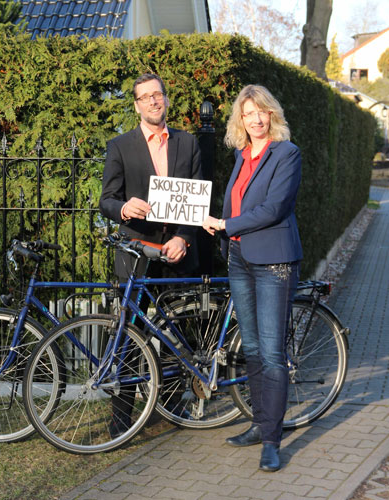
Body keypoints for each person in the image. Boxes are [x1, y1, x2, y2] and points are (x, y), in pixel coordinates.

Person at [202, 84, 302, 472]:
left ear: (272, 114)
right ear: (239, 120)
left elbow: (275, 207)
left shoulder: (286, 153)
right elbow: (239, 203)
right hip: (240, 258)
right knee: (254, 350)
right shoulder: (241, 156)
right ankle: (260, 425)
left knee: (274, 354)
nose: (256, 119)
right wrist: (223, 228)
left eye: (261, 111)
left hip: (274, 260)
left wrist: (227, 224)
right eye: (248, 113)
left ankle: (273, 442)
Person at [99, 73, 203, 436]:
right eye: (145, 97)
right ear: (136, 105)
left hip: (176, 252)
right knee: (130, 336)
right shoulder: (121, 145)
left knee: (176, 333)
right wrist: (124, 208)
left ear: (167, 99)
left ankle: (172, 409)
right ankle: (121, 421)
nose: (153, 102)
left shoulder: (188, 144)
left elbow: (197, 199)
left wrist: (184, 238)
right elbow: (106, 201)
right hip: (135, 253)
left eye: (158, 94)